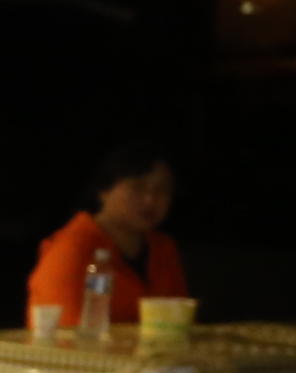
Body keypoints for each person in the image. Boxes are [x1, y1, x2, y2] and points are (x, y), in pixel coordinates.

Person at [27, 139, 183, 330]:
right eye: (137, 186)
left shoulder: (163, 248)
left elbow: (180, 320)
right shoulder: (73, 248)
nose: (150, 199)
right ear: (103, 190)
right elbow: (64, 330)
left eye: (163, 189)